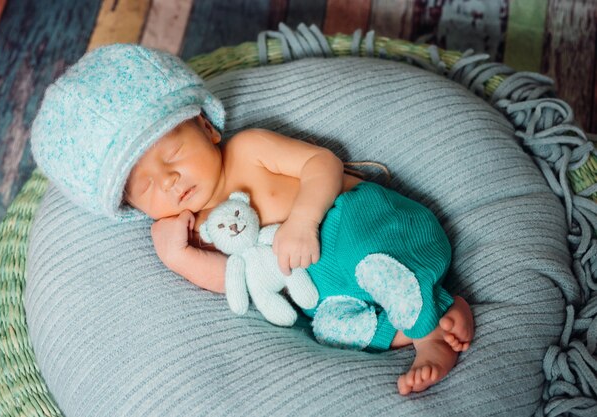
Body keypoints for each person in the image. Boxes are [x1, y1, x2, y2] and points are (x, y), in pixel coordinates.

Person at [31, 44, 474, 396]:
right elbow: (236, 278)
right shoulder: (197, 228)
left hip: (360, 220)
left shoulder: (247, 150)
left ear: (206, 128)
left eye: (172, 154)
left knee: (365, 256)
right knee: (330, 329)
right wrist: (178, 256)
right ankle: (430, 314)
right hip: (323, 289)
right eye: (144, 187)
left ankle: (428, 336)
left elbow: (321, 163)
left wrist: (304, 218)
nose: (167, 181)